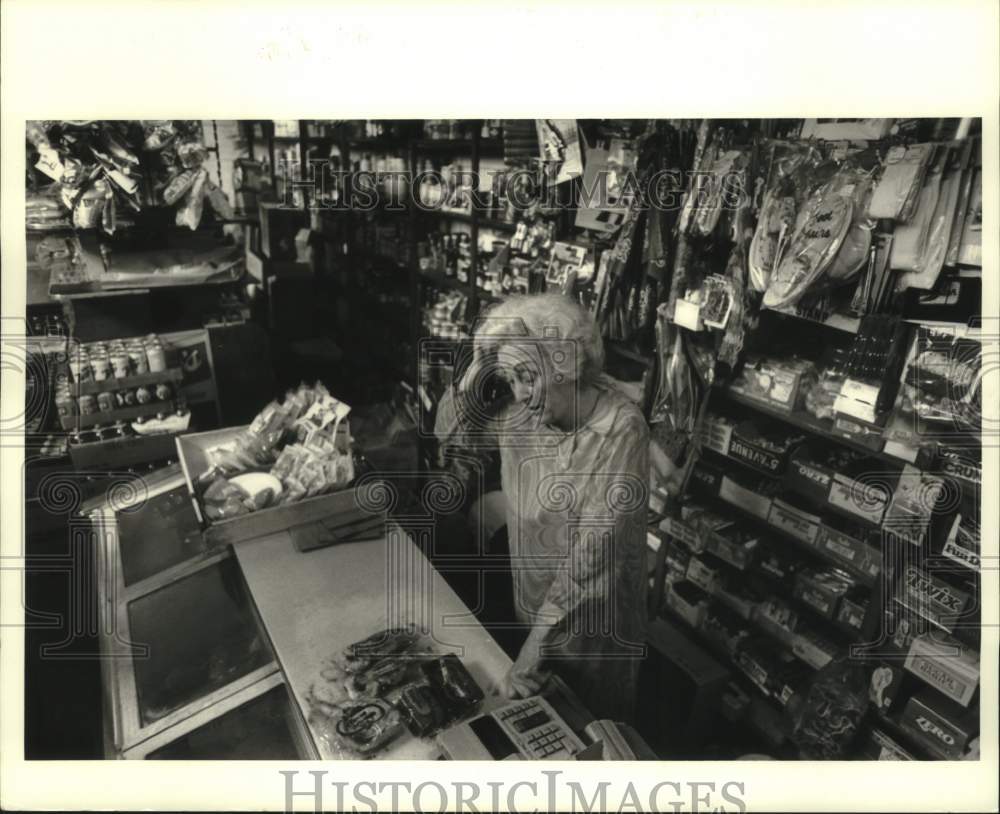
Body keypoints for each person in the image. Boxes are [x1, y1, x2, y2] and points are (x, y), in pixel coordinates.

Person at [435, 293, 649, 724]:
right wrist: (478, 369)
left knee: (591, 729)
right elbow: (449, 437)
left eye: (527, 377)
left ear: (563, 365)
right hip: (531, 602)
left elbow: (592, 557)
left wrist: (534, 648)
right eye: (511, 379)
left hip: (591, 626)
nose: (520, 394)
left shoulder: (620, 429)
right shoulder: (521, 410)